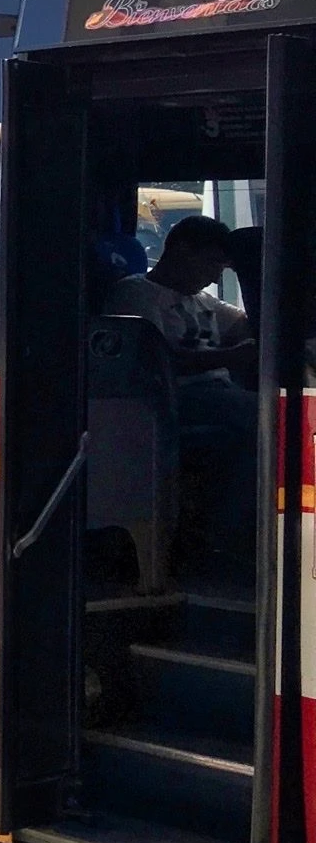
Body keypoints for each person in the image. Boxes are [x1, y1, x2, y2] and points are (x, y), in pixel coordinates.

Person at [106, 215, 258, 576]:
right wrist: (229, 357)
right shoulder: (136, 294)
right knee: (265, 419)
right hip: (173, 399)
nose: (214, 277)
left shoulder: (203, 302)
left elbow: (243, 322)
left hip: (220, 395)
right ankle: (225, 539)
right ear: (181, 250)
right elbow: (157, 361)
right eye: (210, 264)